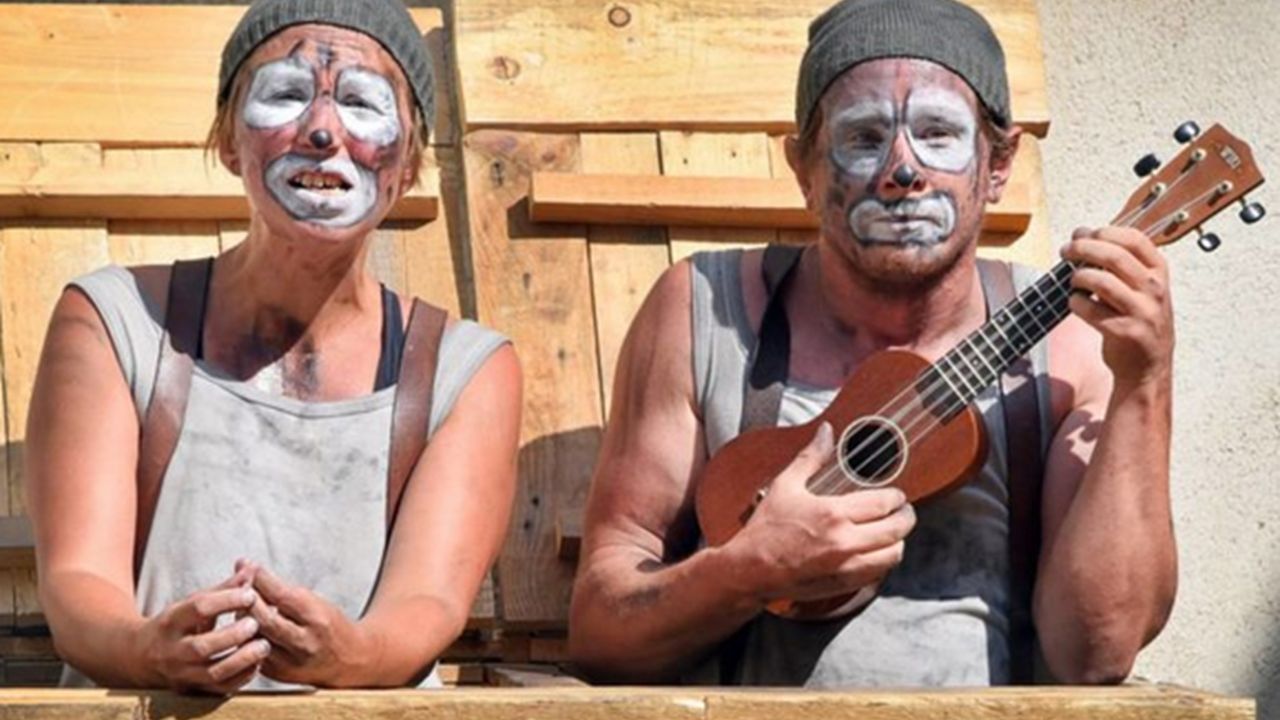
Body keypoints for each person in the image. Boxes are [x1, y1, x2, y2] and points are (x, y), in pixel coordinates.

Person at [569, 0, 1176, 686]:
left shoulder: (1068, 346)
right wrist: (747, 571)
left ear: (999, 163)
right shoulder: (703, 311)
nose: (902, 170)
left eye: (938, 134)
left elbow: (1096, 654)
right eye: (863, 137)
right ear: (803, 167)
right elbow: (599, 630)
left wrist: (1144, 384)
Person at [24, 0, 521, 694]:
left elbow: (426, 604)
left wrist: (350, 656)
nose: (322, 130)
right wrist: (147, 651)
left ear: (406, 164)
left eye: (362, 104)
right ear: (229, 141)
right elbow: (79, 583)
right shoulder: (115, 322)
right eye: (285, 95)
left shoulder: (465, 371)